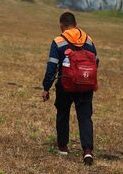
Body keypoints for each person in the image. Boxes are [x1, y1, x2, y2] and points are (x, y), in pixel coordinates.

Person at [41, 12, 99, 165]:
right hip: (86, 85)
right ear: (75, 23)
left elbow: (52, 67)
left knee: (63, 113)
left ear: (62, 25)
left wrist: (46, 87)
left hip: (65, 85)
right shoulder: (88, 39)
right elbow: (96, 62)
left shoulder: (58, 41)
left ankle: (63, 147)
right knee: (85, 117)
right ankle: (87, 151)